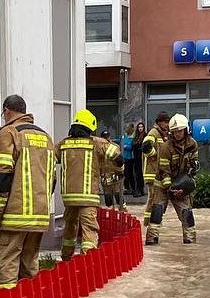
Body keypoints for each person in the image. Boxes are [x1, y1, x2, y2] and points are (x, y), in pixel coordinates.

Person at [0, 94, 54, 289]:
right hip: (39, 217)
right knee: (29, 268)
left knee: (6, 269)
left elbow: (1, 178)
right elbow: (52, 179)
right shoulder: (45, 137)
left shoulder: (9, 134)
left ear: (7, 110)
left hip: (13, 217)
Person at [57, 109, 123, 259]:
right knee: (89, 229)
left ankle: (66, 258)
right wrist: (120, 171)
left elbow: (51, 158)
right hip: (88, 196)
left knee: (70, 226)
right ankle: (87, 261)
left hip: (69, 197)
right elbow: (118, 157)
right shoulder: (97, 143)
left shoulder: (63, 144)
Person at [147, 114, 200, 245]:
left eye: (180, 130)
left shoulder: (193, 144)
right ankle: (151, 241)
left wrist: (185, 187)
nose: (177, 134)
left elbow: (193, 166)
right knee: (157, 212)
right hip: (162, 184)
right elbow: (163, 170)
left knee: (187, 214)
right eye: (175, 131)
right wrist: (170, 188)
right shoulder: (166, 147)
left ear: (186, 130)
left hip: (181, 183)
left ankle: (190, 242)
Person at [139, 112, 170, 245]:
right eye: (166, 122)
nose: (168, 124)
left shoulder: (162, 134)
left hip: (158, 172)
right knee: (153, 199)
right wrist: (155, 155)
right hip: (152, 173)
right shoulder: (153, 132)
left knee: (155, 200)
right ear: (160, 122)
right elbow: (145, 146)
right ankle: (149, 226)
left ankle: (153, 225)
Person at [97, 129, 127, 209]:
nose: (106, 139)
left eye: (107, 137)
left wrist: (120, 172)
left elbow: (120, 160)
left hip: (115, 173)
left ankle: (122, 210)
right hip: (105, 174)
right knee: (107, 195)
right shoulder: (99, 148)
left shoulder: (115, 147)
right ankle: (110, 212)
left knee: (118, 193)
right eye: (104, 137)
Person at [129, 121, 148, 196]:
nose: (140, 128)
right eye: (139, 127)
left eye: (142, 127)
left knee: (140, 174)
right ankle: (138, 189)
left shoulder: (145, 136)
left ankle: (140, 189)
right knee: (136, 174)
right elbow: (133, 145)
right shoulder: (135, 137)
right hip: (136, 158)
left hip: (142, 157)